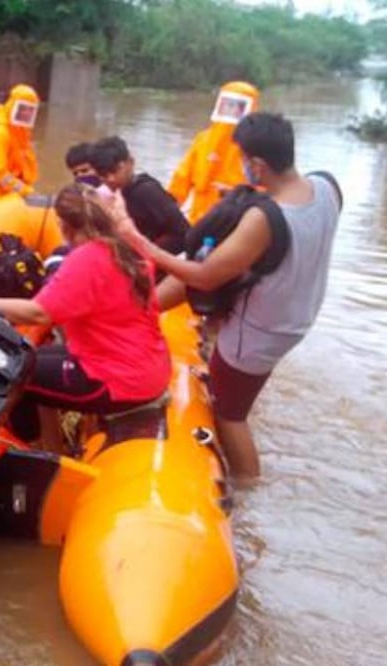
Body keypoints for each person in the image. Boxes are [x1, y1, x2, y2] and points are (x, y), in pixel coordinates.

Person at [122, 112, 341, 480]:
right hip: (299, 312)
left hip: (261, 329)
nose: (240, 168)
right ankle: (142, 315)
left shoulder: (264, 219)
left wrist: (147, 248)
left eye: (242, 160)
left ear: (257, 164)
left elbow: (206, 277)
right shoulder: (327, 186)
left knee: (230, 413)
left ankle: (247, 487)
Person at [0, 184, 171, 441]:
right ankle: (52, 446)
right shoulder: (126, 248)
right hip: (144, 366)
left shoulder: (87, 259)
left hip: (115, 378)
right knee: (31, 357)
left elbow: (38, 313)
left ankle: (27, 450)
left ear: (64, 226)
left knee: (8, 372)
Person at [168, 81, 260, 223]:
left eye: (238, 108)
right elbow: (180, 182)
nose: (232, 111)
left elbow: (268, 193)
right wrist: (165, 215)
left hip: (236, 226)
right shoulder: (203, 140)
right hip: (199, 223)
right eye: (228, 105)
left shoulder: (256, 147)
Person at [91, 136, 190, 256]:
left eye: (115, 171)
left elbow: (183, 233)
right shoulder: (118, 195)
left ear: (130, 162)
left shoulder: (147, 192)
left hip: (154, 260)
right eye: (104, 175)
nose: (111, 179)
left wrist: (145, 253)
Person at [0, 84, 40, 204]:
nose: (27, 113)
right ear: (13, 106)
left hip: (14, 198)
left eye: (30, 109)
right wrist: (24, 191)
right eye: (23, 108)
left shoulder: (21, 132)